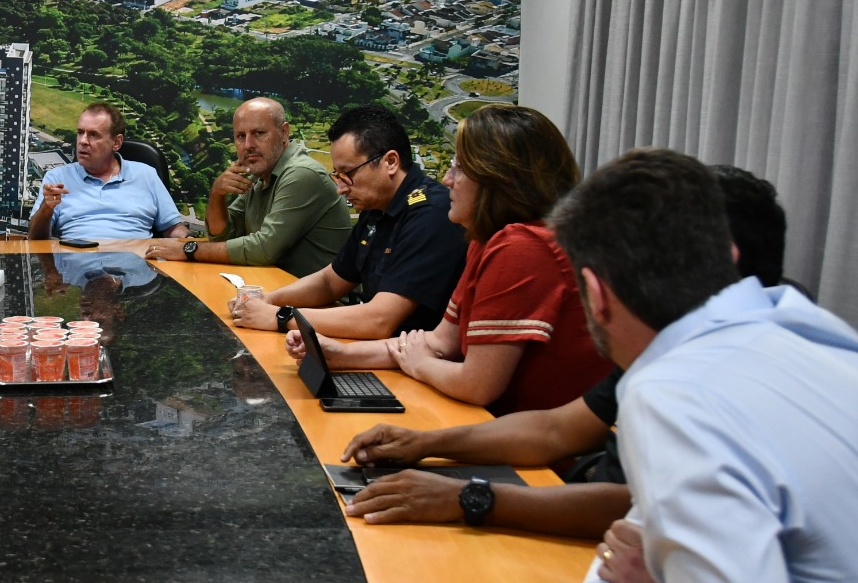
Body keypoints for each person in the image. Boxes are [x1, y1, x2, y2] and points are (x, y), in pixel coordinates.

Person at [514, 149, 858, 583]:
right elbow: (645, 533)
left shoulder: (674, 393)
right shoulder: (808, 332)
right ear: (724, 253)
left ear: (597, 293)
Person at [336, 162, 792, 539]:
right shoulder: (686, 336)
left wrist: (465, 497)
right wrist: (425, 444)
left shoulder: (751, 369)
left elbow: (643, 507)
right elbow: (557, 430)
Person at [286, 104, 610, 416]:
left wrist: (419, 364)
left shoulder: (520, 248)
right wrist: (341, 355)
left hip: (534, 454)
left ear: (496, 178)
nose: (447, 180)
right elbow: (439, 341)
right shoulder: (484, 240)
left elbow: (476, 384)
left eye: (459, 168)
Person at [231, 104, 466, 337]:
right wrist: (267, 299)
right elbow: (330, 281)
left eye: (348, 174)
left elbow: (379, 320)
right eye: (338, 175)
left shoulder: (431, 214)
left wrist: (278, 316)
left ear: (391, 162)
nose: (341, 188)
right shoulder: (377, 206)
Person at [146, 97, 351, 277]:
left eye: (259, 133)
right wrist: (217, 194)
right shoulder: (259, 174)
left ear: (284, 132)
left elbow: (263, 249)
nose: (248, 145)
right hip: (273, 288)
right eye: (240, 136)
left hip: (319, 307)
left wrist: (189, 249)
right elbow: (224, 236)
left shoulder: (301, 174)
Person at [26, 101, 188, 241]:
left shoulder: (146, 174)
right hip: (78, 268)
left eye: (93, 135)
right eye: (80, 132)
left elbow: (173, 228)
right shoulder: (57, 178)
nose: (82, 141)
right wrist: (46, 209)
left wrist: (190, 242)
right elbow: (35, 239)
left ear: (116, 142)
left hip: (137, 268)